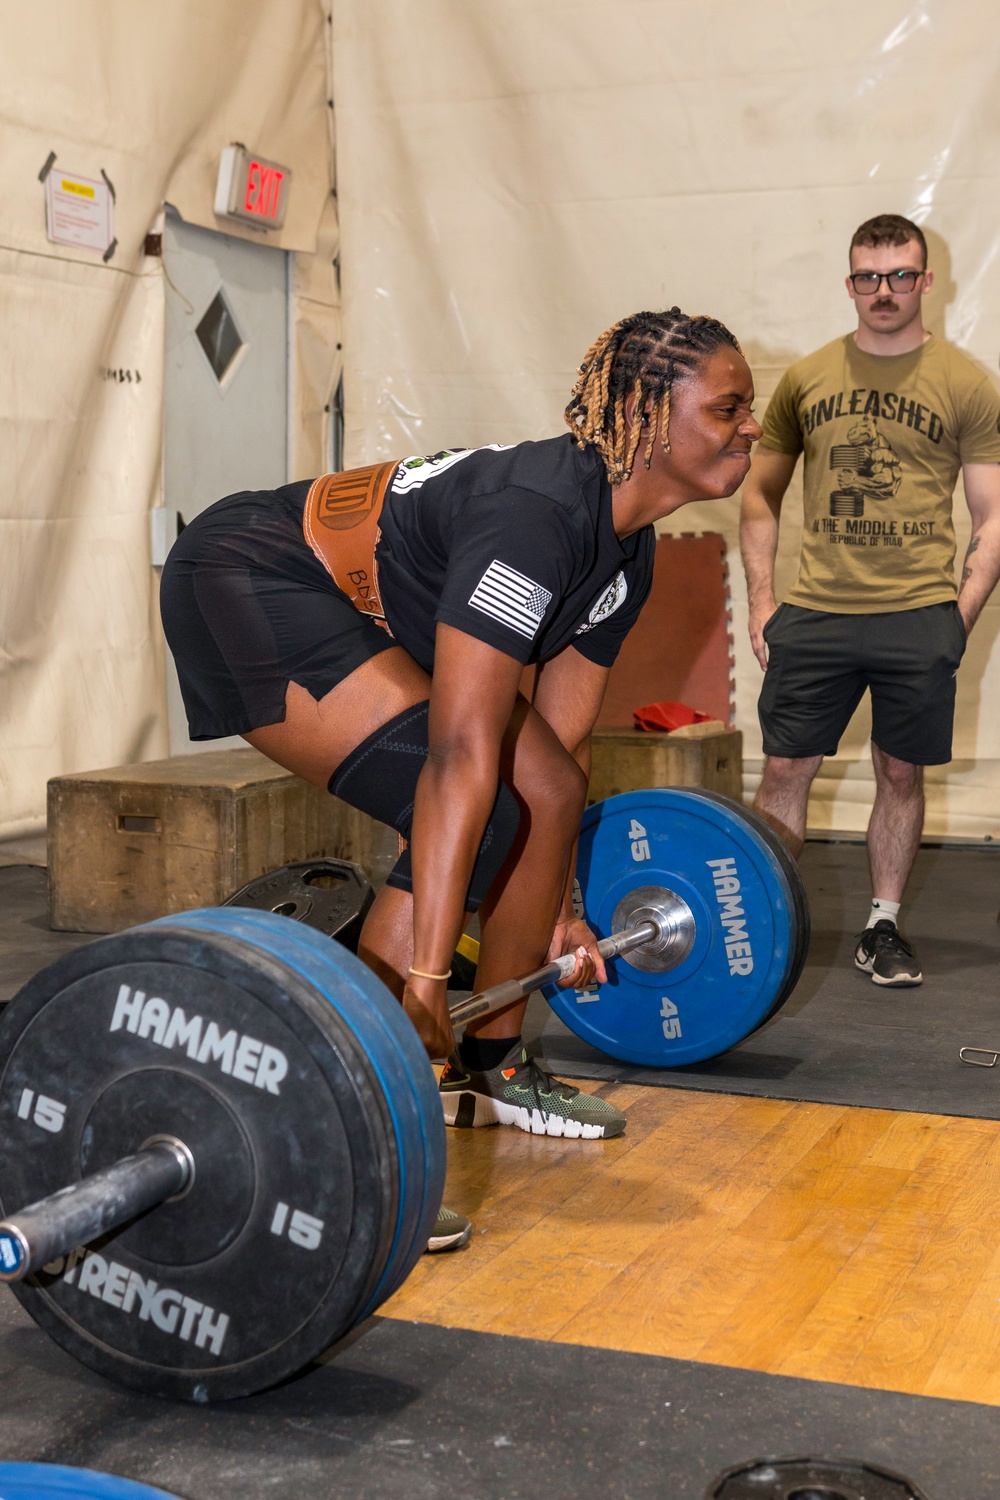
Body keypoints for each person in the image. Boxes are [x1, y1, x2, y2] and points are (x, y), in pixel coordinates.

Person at [161, 306, 760, 1248]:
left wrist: (556, 903)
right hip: (251, 575)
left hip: (350, 608)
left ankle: (494, 1064)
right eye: (730, 409)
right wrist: (431, 979)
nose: (751, 426)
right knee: (457, 801)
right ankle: (353, 1140)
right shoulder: (537, 518)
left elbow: (557, 757)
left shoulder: (625, 551)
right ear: (649, 416)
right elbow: (460, 758)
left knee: (549, 794)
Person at [740, 214, 1000, 988]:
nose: (883, 291)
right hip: (816, 611)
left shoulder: (965, 383)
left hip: (917, 612)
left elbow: (992, 516)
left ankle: (881, 928)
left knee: (899, 774)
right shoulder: (808, 379)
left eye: (899, 275)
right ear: (849, 282)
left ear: (925, 281)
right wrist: (762, 603)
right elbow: (759, 492)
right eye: (867, 276)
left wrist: (958, 619)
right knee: (786, 767)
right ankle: (763, 924)